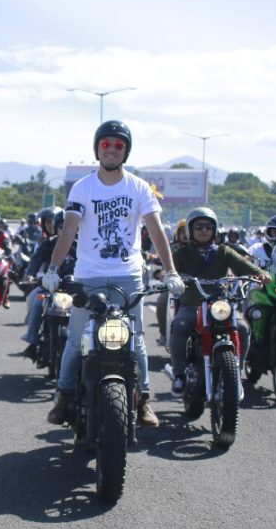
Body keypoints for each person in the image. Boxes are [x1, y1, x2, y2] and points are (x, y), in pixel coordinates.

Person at [41, 119, 184, 427]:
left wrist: (171, 271)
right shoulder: (83, 187)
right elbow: (69, 231)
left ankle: (143, 400)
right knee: (76, 339)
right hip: (88, 276)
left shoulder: (139, 187)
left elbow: (156, 231)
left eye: (119, 145)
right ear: (97, 149)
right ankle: (64, 395)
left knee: (136, 341)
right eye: (106, 144)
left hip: (128, 276)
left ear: (126, 151)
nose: (112, 149)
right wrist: (52, 269)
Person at [169, 207, 270, 394]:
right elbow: (169, 271)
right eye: (199, 226)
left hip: (220, 304)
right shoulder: (181, 254)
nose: (204, 230)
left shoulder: (223, 251)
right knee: (179, 326)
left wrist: (260, 273)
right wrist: (167, 277)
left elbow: (244, 265)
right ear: (190, 230)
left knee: (242, 327)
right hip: (192, 305)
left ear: (214, 230)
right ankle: (179, 375)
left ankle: (237, 373)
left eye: (208, 227)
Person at [21, 210, 77, 360]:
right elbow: (36, 260)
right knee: (35, 301)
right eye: (61, 226)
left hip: (74, 290)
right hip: (49, 288)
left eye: (68, 226)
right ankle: (32, 342)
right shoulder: (48, 244)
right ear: (55, 228)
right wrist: (30, 274)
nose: (65, 230)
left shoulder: (81, 246)